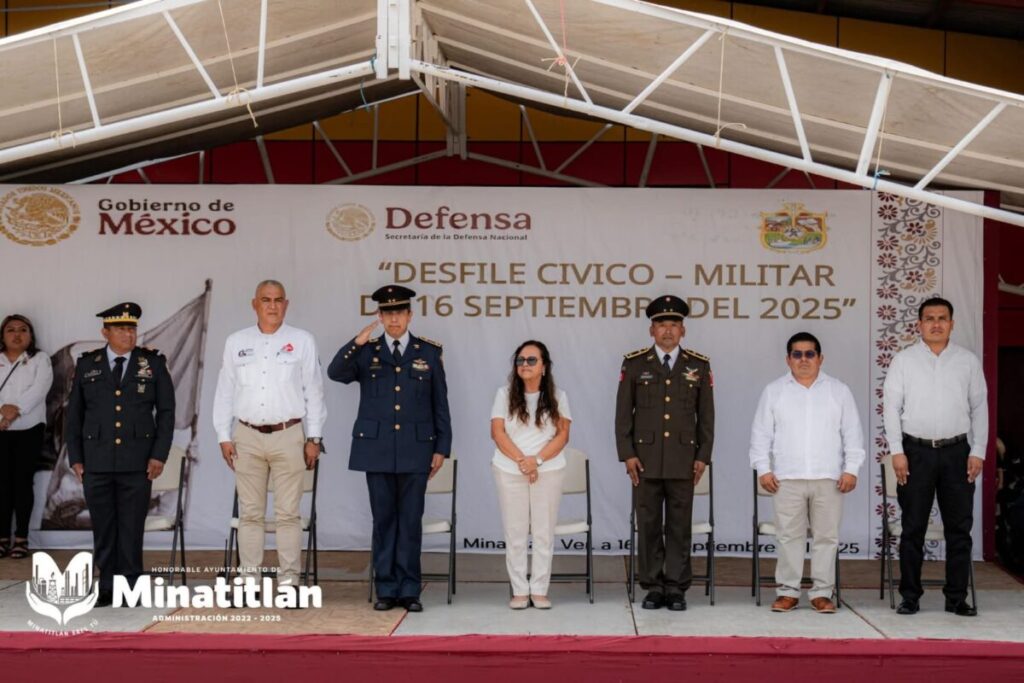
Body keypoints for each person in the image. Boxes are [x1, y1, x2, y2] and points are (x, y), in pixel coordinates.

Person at [328, 285, 452, 613]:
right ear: (380, 317)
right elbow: (335, 373)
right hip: (377, 448)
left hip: (416, 449)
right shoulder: (367, 351)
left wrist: (443, 446)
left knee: (410, 520)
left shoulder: (427, 352)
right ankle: (386, 588)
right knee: (383, 520)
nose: (394, 319)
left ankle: (409, 589)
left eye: (399, 313)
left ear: (410, 315)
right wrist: (355, 343)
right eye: (387, 313)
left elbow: (440, 403)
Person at [213, 280, 326, 592]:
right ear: (255, 304)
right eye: (266, 300)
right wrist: (223, 434)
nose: (272, 306)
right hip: (246, 435)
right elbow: (225, 390)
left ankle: (289, 583)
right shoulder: (236, 341)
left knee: (288, 514)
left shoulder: (302, 340)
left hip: (289, 434)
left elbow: (313, 391)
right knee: (250, 514)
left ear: (286, 304)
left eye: (278, 300)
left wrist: (313, 437)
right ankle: (249, 581)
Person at [883, 296, 987, 617]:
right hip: (915, 453)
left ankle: (956, 597)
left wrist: (979, 450)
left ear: (952, 324)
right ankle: (910, 596)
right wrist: (897, 452)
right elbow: (891, 407)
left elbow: (979, 407)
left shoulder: (967, 361)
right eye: (930, 318)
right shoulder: (904, 360)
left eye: (943, 318)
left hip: (958, 453)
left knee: (959, 529)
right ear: (919, 324)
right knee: (913, 527)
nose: (936, 324)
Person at [65, 302, 174, 606]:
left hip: (138, 460)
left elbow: (166, 413)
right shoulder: (88, 364)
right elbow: (74, 414)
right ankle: (107, 586)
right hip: (95, 460)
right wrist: (76, 457)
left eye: (132, 328)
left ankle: (131, 587)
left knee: (131, 526)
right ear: (106, 332)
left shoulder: (152, 363)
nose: (129, 334)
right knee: (103, 525)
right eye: (122, 329)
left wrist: (159, 455)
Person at [748, 332, 864, 614]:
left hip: (829, 478)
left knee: (827, 537)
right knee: (789, 537)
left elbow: (852, 434)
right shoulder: (774, 391)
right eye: (797, 354)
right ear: (788, 359)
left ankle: (822, 593)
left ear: (820, 358)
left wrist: (851, 469)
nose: (803, 359)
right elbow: (760, 434)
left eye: (809, 354)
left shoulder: (839, 391)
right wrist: (763, 468)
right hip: (787, 478)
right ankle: (788, 591)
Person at [615, 295, 714, 612]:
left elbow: (707, 417)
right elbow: (622, 416)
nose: (667, 331)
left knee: (679, 525)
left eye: (674, 324)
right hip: (643, 460)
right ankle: (653, 586)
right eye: (661, 324)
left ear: (683, 330)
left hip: (683, 459)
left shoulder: (698, 365)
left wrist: (703, 456)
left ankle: (676, 587)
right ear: (651, 330)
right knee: (647, 524)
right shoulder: (634, 364)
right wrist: (627, 453)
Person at [490, 340, 572, 610]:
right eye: (520, 360)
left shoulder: (559, 396)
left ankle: (539, 589)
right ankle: (519, 590)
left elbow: (562, 435)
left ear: (544, 366)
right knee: (514, 532)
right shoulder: (504, 394)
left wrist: (536, 461)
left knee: (542, 532)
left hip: (547, 470)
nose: (524, 365)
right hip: (509, 469)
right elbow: (498, 432)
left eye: (531, 360)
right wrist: (522, 462)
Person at [0, 315, 54, 559]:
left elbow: (41, 388)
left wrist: (15, 409)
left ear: (31, 335)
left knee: (23, 483)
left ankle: (21, 538)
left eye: (23, 330)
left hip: (29, 427)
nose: (16, 334)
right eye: (10, 330)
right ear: (3, 336)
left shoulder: (40, 359)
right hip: (0, 428)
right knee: (1, 484)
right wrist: (2, 411)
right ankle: (2, 537)